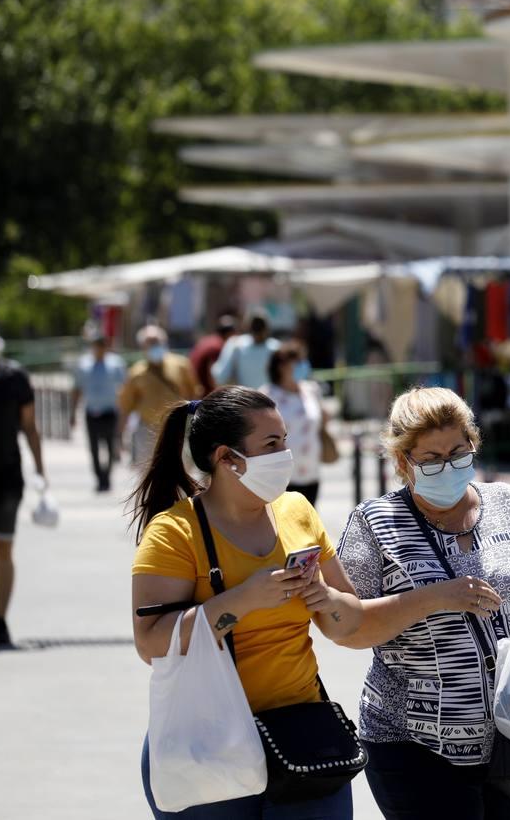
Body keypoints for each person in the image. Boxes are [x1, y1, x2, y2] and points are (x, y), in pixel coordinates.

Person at [334, 387, 510, 820]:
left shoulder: (507, 502)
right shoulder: (374, 523)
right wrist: (434, 598)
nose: (447, 466)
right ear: (402, 461)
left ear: (473, 444)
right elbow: (351, 628)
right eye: (431, 458)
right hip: (412, 744)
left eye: (458, 451)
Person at [130, 385, 363, 819]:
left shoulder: (296, 510)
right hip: (209, 742)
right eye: (271, 444)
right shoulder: (175, 532)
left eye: (285, 441)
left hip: (303, 736)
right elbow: (151, 644)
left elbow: (348, 620)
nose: (285, 455)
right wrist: (243, 599)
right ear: (226, 458)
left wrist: (325, 597)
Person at [0, 314, 45, 650]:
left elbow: (30, 427)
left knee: (2, 548)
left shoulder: (15, 378)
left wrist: (41, 471)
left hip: (7, 476)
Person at [119, 325, 199, 468]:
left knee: (181, 470)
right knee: (147, 471)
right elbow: (126, 405)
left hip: (178, 427)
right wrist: (119, 435)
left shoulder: (181, 365)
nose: (154, 346)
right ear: (143, 347)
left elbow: (194, 393)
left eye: (156, 341)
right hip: (147, 430)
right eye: (150, 343)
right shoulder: (137, 372)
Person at [262, 343, 325, 505]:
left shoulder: (311, 390)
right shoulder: (267, 395)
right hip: (281, 477)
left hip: (311, 473)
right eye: (297, 362)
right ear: (282, 366)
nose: (302, 366)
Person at [70, 329, 128, 492]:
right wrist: (73, 413)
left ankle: (107, 476)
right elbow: (77, 389)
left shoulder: (115, 364)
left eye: (102, 345)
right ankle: (99, 476)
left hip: (110, 411)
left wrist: (125, 412)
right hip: (91, 411)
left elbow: (125, 389)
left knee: (110, 446)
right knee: (94, 448)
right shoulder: (84, 365)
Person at [213, 311, 280, 390]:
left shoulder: (236, 344)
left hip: (247, 399)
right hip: (260, 399)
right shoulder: (276, 347)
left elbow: (219, 376)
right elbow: (220, 376)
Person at [190, 314, 237, 395]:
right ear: (230, 333)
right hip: (204, 393)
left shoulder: (206, 340)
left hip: (193, 388)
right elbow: (212, 374)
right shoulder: (218, 347)